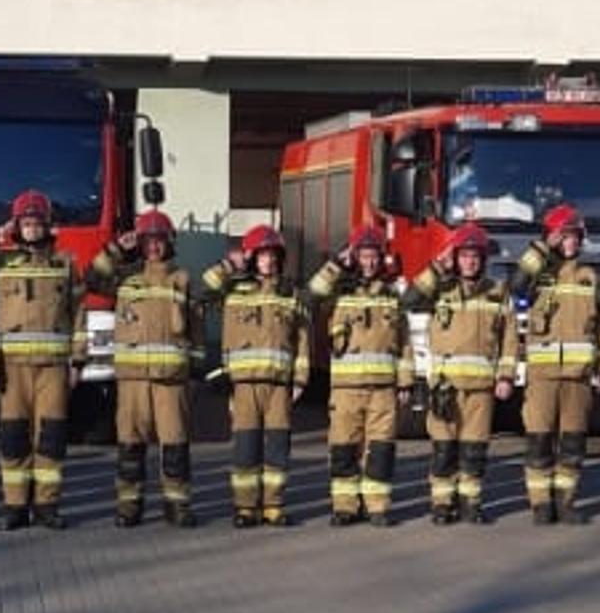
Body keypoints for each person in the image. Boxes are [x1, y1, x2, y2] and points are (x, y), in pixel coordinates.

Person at [0, 190, 87, 531]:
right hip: (12, 369)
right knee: (13, 438)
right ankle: (15, 507)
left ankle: (47, 506)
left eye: (36, 223)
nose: (31, 229)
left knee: (51, 437)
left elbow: (79, 316)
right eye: (25, 224)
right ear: (17, 226)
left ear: (47, 226)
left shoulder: (66, 264)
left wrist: (78, 362)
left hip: (53, 369)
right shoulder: (1, 262)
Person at [87, 210, 202, 528]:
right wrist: (116, 250)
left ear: (169, 243)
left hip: (172, 379)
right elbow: (92, 279)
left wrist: (196, 370)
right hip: (133, 380)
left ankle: (177, 505)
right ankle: (129, 505)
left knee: (176, 444)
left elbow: (196, 326)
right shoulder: (124, 277)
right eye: (148, 241)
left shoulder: (182, 278)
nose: (154, 247)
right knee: (130, 445)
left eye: (159, 241)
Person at [199, 225, 310, 528]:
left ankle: (273, 505)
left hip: (278, 386)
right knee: (246, 448)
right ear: (252, 258)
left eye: (273, 255)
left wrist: (300, 380)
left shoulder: (291, 294)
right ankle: (245, 507)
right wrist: (231, 263)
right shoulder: (233, 290)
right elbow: (207, 283)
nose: (268, 261)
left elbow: (302, 340)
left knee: (277, 448)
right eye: (262, 255)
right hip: (244, 385)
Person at [405, 222, 517, 525]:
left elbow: (509, 339)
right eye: (464, 255)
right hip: (445, 389)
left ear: (483, 259)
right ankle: (442, 504)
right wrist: (437, 267)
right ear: (455, 258)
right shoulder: (439, 290)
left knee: (474, 451)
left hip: (480, 390)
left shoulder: (497, 294)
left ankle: (471, 503)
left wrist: (506, 377)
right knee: (444, 451)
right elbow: (410, 300)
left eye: (475, 256)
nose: (470, 261)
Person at [308, 226, 414, 527]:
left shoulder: (392, 294)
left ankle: (377, 507)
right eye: (363, 256)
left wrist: (406, 380)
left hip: (383, 389)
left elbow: (404, 341)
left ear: (381, 259)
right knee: (344, 448)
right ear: (355, 258)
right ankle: (345, 507)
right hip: (345, 389)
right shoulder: (338, 291)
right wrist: (337, 264)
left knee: (380, 450)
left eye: (373, 256)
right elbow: (312, 293)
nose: (368, 262)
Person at [512, 204, 600, 525]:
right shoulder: (538, 274)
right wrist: (542, 248)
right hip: (544, 376)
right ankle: (540, 502)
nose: (571, 242)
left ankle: (565, 502)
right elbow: (517, 285)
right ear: (552, 238)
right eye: (565, 236)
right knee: (539, 440)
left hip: (578, 377)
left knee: (573, 443)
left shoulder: (589, 277)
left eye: (575, 236)